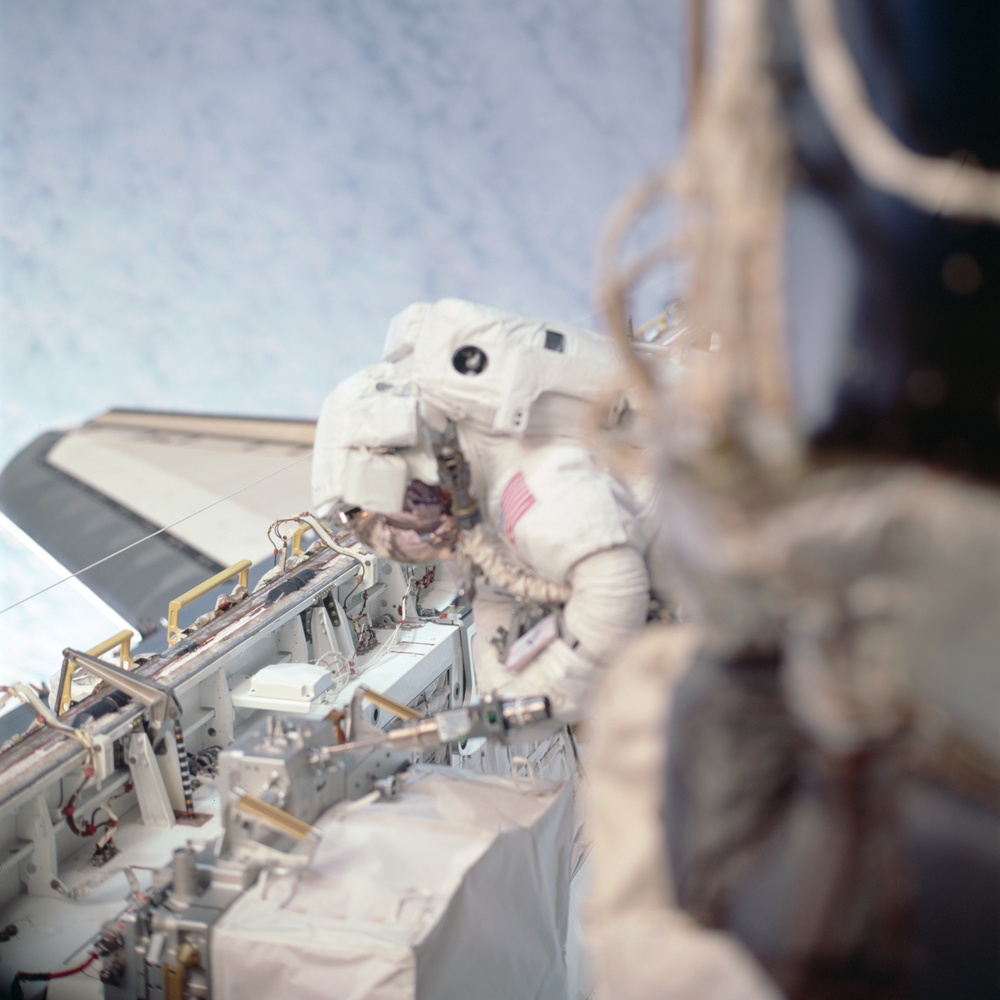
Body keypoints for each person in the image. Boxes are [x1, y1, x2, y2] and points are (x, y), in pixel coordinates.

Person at [311, 297, 664, 724]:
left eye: (415, 510)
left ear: (420, 464)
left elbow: (616, 587)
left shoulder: (527, 487)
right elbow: (492, 593)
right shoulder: (477, 506)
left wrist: (545, 691)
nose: (431, 534)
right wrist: (496, 684)